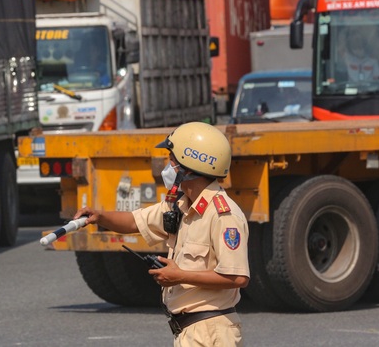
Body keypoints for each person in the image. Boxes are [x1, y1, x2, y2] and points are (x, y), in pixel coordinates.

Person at [73, 122, 249, 346]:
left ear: (190, 165)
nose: (169, 166)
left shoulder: (224, 215)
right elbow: (135, 221)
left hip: (212, 333)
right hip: (188, 331)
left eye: (173, 160)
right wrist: (99, 216)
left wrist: (180, 276)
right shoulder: (181, 206)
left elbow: (238, 278)